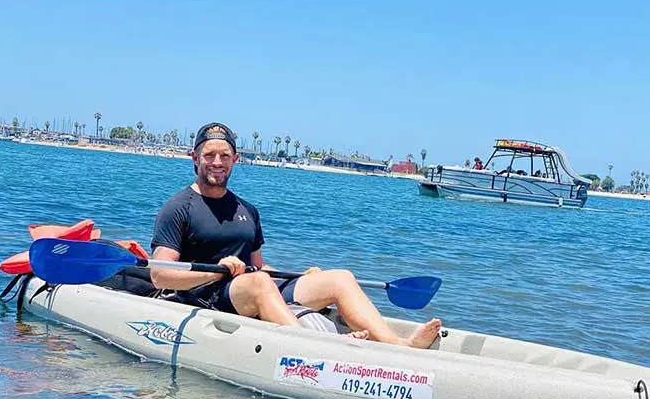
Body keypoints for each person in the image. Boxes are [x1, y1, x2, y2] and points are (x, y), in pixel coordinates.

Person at [150, 122, 442, 349]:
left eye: (224, 156)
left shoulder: (246, 210)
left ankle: (398, 345)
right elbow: (160, 276)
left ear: (235, 159)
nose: (217, 162)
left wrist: (298, 277)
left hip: (251, 286)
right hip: (206, 295)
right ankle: (316, 346)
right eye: (209, 155)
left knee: (340, 278)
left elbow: (259, 267)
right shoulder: (179, 208)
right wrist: (216, 272)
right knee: (259, 283)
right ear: (195, 158)